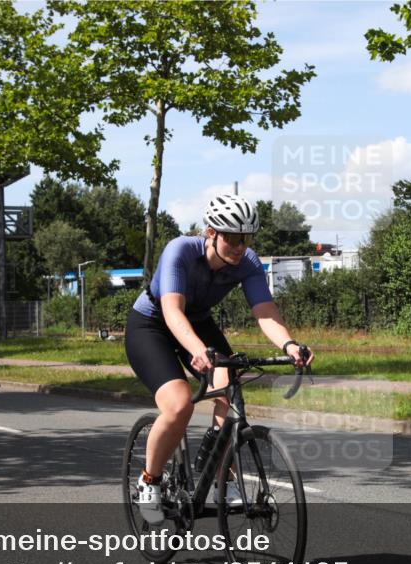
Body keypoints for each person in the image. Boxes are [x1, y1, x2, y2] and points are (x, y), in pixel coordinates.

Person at [125, 194, 314, 523]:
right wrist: (197, 349)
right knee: (179, 403)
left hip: (196, 321)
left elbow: (265, 311)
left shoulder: (248, 262)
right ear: (211, 232)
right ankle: (149, 481)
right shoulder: (180, 250)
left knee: (229, 387)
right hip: (152, 324)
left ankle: (218, 476)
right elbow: (171, 310)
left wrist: (289, 345)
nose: (240, 246)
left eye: (246, 238)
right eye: (233, 237)